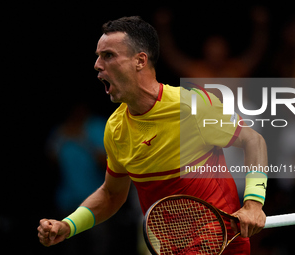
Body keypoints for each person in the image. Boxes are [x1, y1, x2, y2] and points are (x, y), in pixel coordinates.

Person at [37, 16, 267, 254]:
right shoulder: (116, 129)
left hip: (221, 245)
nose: (97, 64)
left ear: (140, 61)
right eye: (98, 56)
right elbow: (111, 194)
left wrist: (253, 204)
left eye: (108, 55)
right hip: (169, 249)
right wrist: (69, 225)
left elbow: (253, 140)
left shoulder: (192, 106)